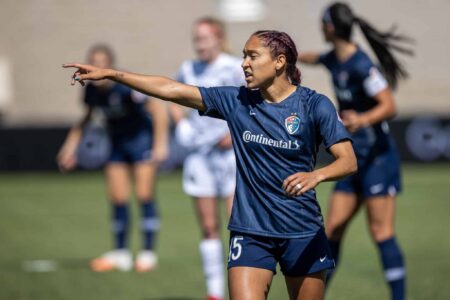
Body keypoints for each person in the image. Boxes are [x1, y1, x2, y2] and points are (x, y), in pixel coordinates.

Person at [63, 29, 357, 300]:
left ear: (280, 62)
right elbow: (172, 89)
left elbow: (348, 161)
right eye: (243, 55)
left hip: (302, 230)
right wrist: (114, 74)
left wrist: (316, 175)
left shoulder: (315, 105)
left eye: (252, 56)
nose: (244, 63)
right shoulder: (237, 101)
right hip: (251, 231)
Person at [298, 3, 413, 299]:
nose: (320, 28)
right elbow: (313, 58)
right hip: (351, 159)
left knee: (380, 232)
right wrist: (286, 57)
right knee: (332, 228)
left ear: (331, 27)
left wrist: (362, 119)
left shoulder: (362, 65)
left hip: (378, 159)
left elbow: (389, 105)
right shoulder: (334, 58)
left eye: (323, 23)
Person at [58, 44, 169, 272]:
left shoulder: (125, 85)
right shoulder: (90, 90)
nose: (96, 66)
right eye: (93, 61)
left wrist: (160, 144)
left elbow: (157, 109)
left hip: (141, 141)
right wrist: (70, 148)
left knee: (143, 194)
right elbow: (86, 118)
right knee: (118, 197)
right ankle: (121, 253)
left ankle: (147, 253)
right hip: (117, 143)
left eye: (101, 62)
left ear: (110, 65)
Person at [170, 17, 245, 300]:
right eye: (196, 38)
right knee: (209, 226)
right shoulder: (189, 69)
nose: (199, 44)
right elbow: (171, 97)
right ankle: (214, 293)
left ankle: (240, 288)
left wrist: (235, 132)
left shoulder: (233, 67)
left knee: (236, 225)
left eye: (204, 38)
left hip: (230, 157)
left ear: (218, 38)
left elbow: (252, 102)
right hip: (200, 157)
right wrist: (181, 124)